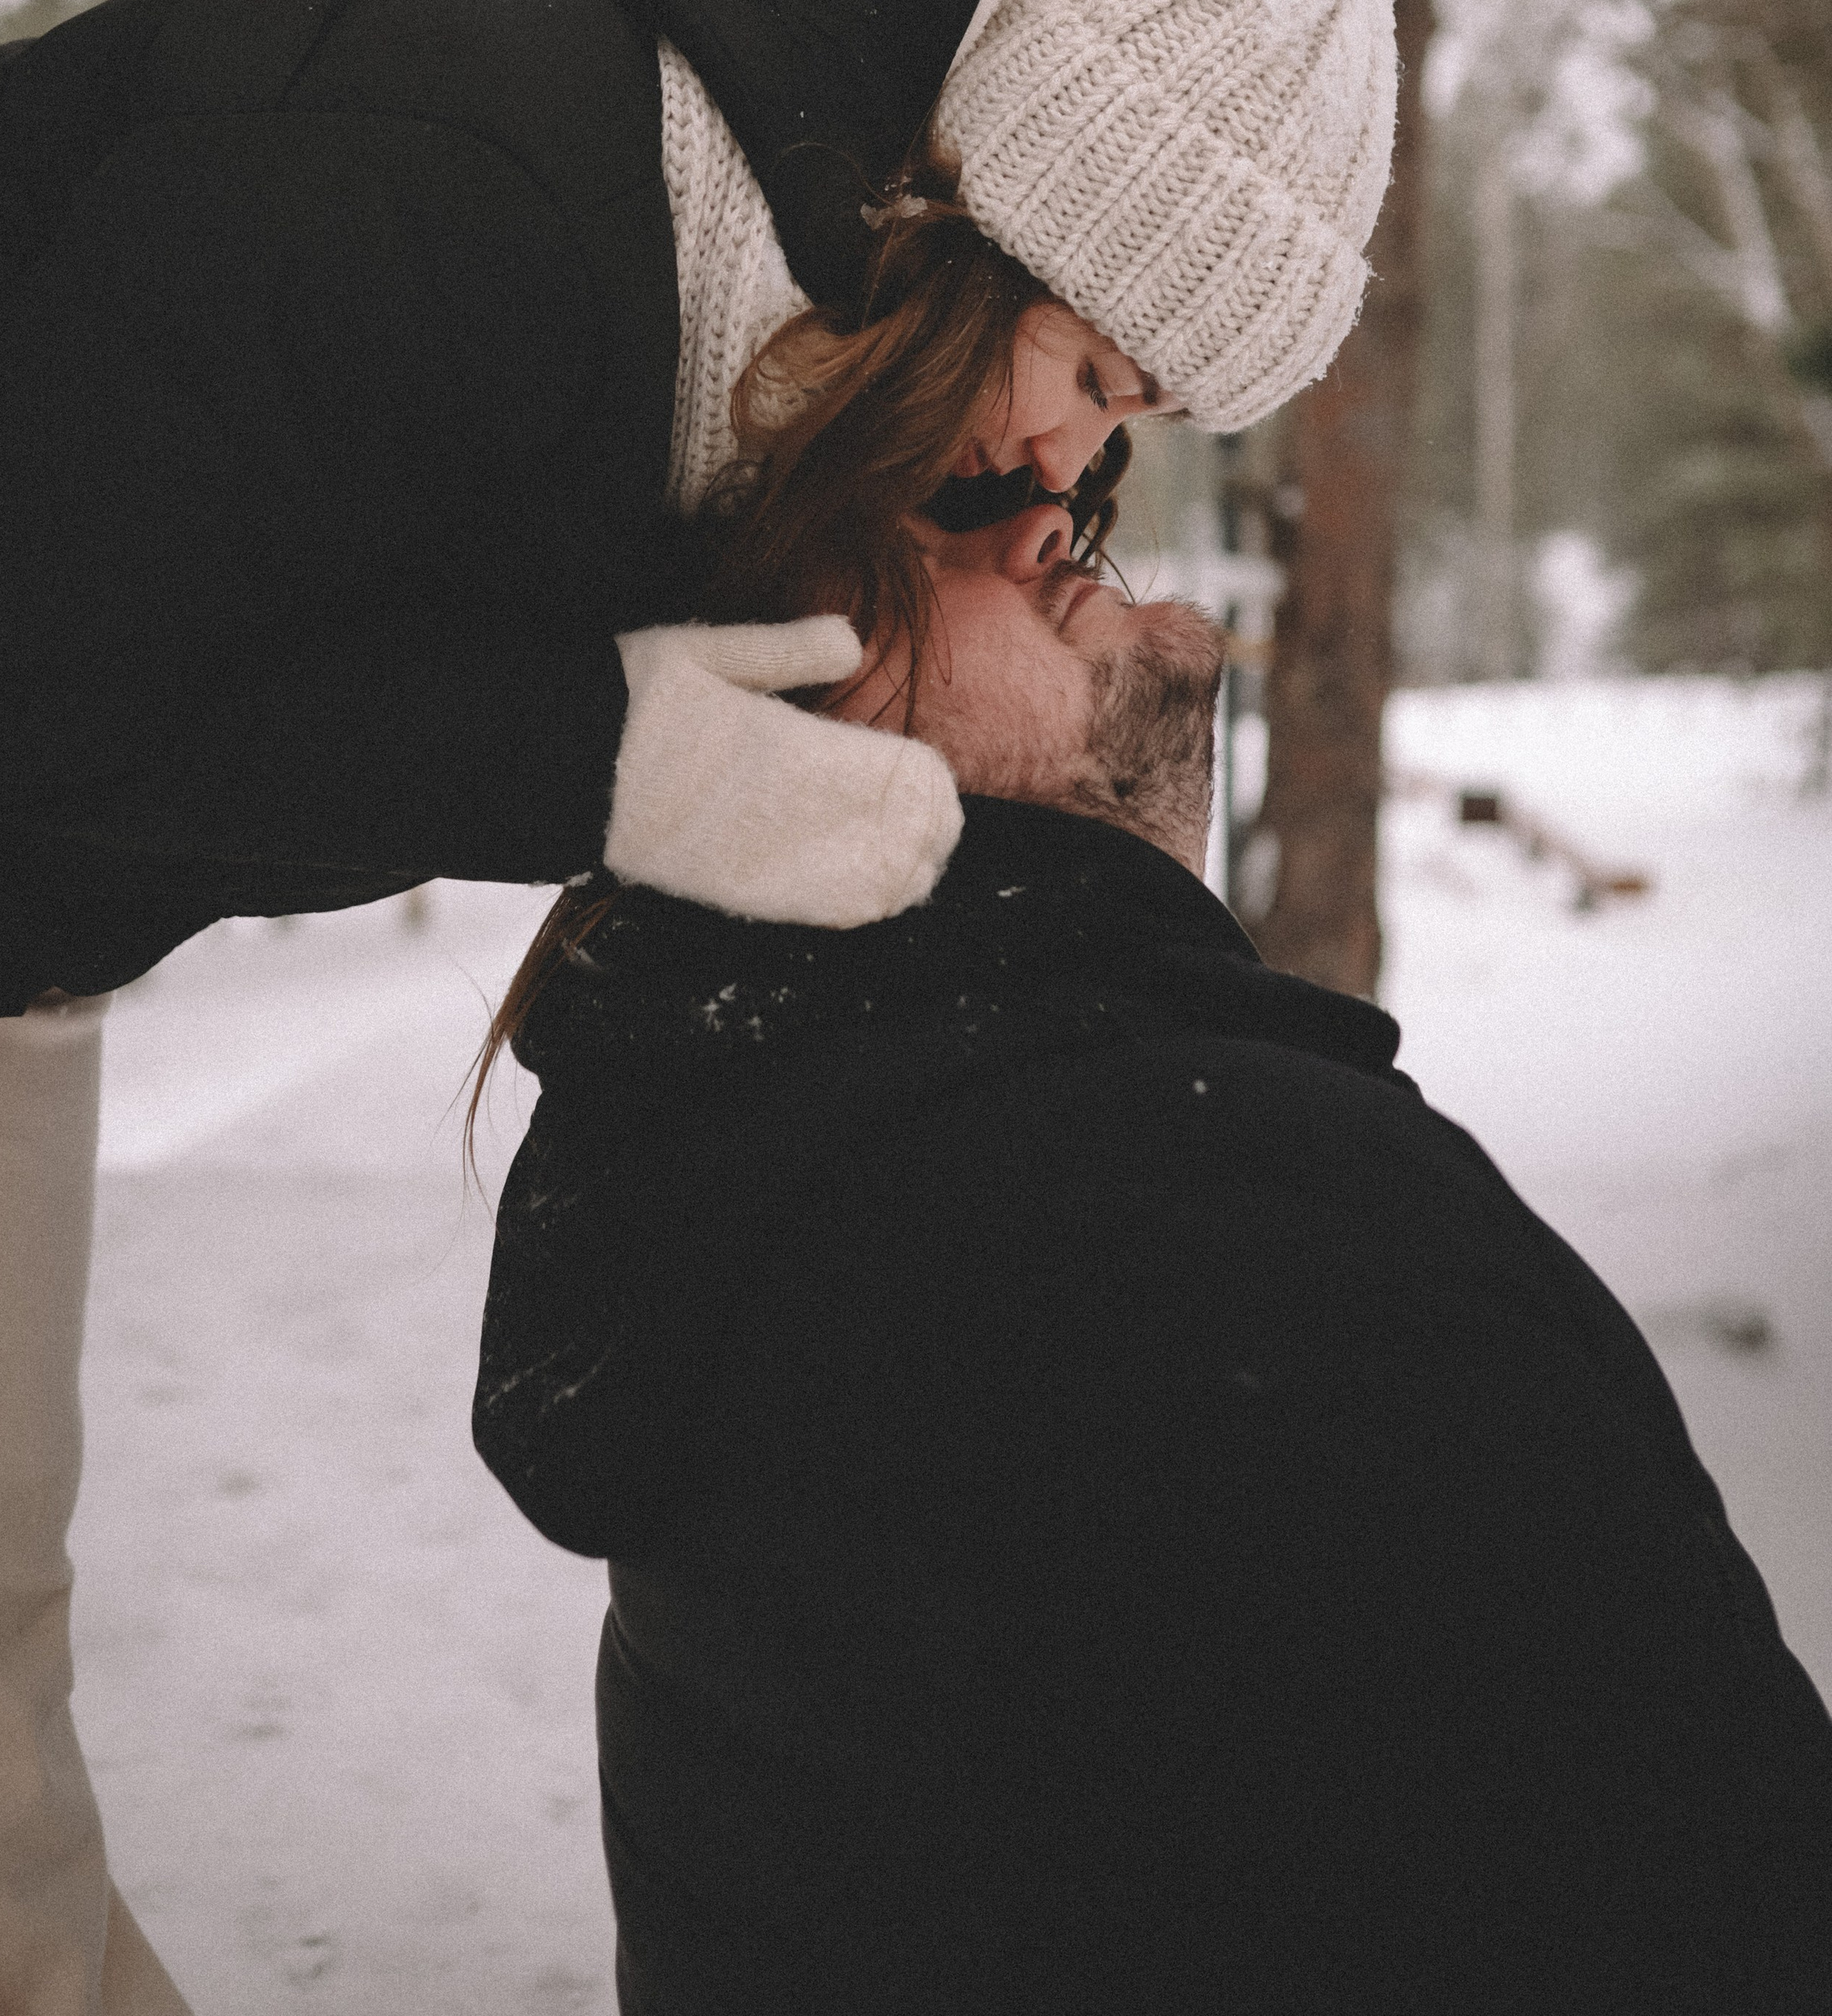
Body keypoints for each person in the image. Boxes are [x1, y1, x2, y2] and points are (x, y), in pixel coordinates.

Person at [0, 0, 1396, 2007]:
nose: (1071, 470)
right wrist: (610, 760)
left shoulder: (783, 344)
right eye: (1104, 380)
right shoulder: (479, 203)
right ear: (1017, 225)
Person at [473, 495, 1832, 2015]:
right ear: (772, 738)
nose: (1053, 518)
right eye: (919, 541)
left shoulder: (734, 1165)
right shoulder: (1239, 1210)